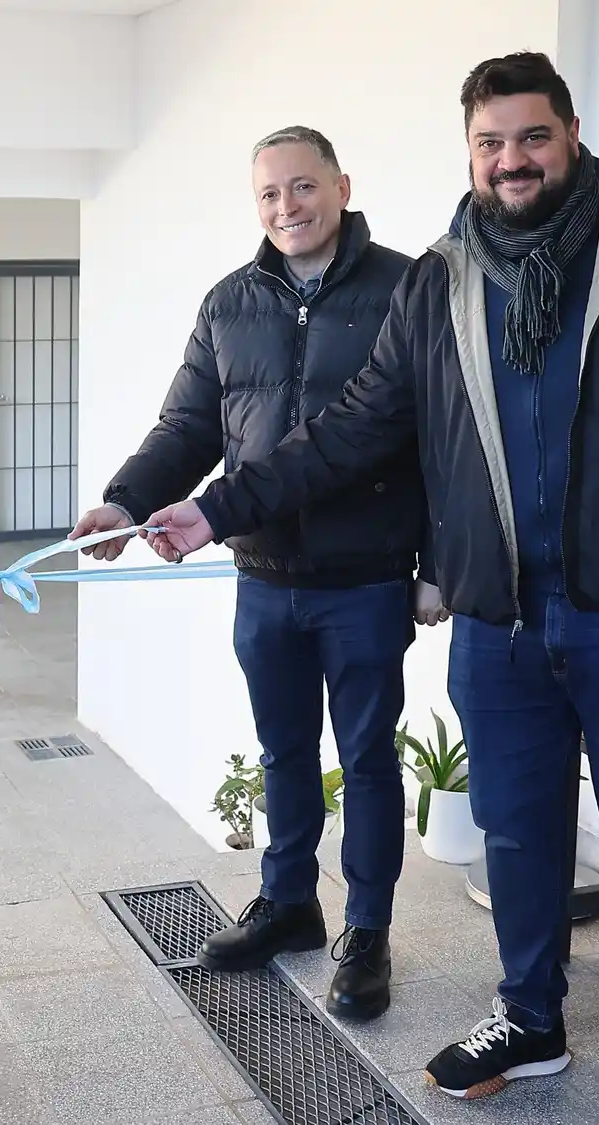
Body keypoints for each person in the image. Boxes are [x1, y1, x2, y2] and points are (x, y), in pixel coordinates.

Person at [143, 52, 599, 1125]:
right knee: (517, 834)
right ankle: (532, 1020)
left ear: (571, 133)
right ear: (470, 154)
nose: (511, 161)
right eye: (490, 144)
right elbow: (354, 427)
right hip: (498, 620)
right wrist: (216, 508)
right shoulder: (443, 276)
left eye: (531, 137)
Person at [71, 126, 434, 1021]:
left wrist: (436, 564)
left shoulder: (404, 290)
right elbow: (188, 426)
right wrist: (126, 500)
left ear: (343, 186)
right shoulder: (230, 302)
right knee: (282, 752)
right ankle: (289, 904)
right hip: (265, 572)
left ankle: (369, 930)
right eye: (269, 195)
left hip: (366, 575)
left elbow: (432, 439)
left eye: (303, 188)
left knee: (366, 757)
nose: (287, 209)